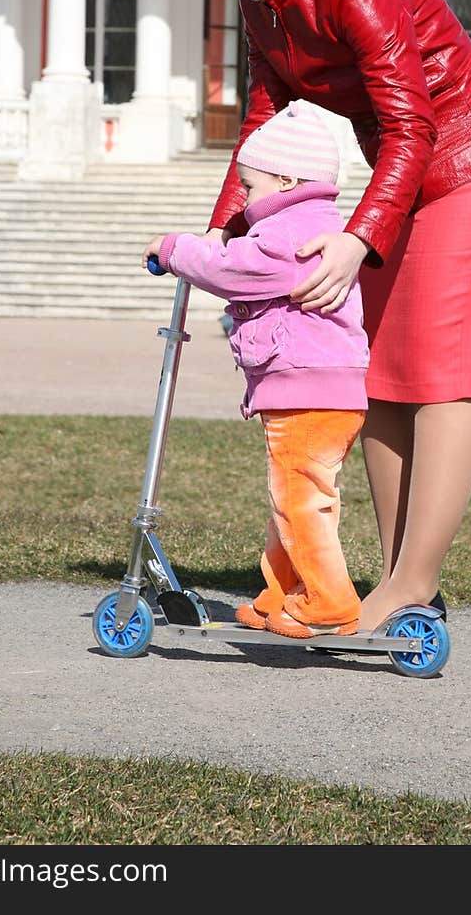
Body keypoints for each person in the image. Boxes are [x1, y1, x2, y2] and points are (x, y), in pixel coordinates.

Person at [162, 0, 471, 634]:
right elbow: (262, 120)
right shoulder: (262, 2)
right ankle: (400, 583)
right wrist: (222, 236)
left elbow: (411, 121)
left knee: (439, 377)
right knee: (382, 378)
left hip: (468, 166)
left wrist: (358, 238)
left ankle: (410, 583)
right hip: (406, 176)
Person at [143, 99, 370, 640]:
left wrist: (175, 250)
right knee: (293, 501)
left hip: (308, 391)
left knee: (300, 502)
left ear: (288, 179)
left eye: (250, 187)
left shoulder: (294, 231)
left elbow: (235, 269)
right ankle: (283, 594)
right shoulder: (307, 221)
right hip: (315, 390)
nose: (244, 199)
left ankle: (329, 603)